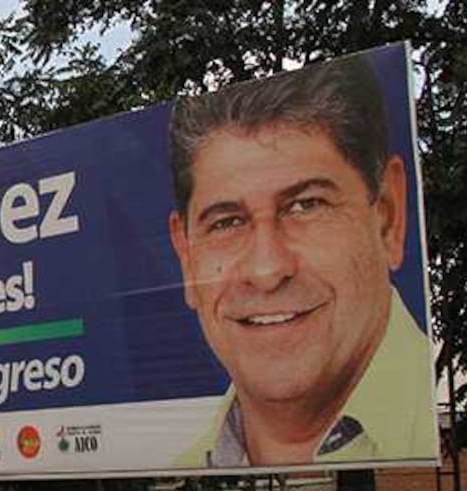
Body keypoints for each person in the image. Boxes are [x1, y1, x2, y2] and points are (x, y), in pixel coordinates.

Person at [167, 53, 437, 468]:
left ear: (388, 216)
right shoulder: (181, 466)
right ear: (186, 256)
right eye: (227, 223)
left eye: (306, 206)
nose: (267, 271)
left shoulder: (430, 419)